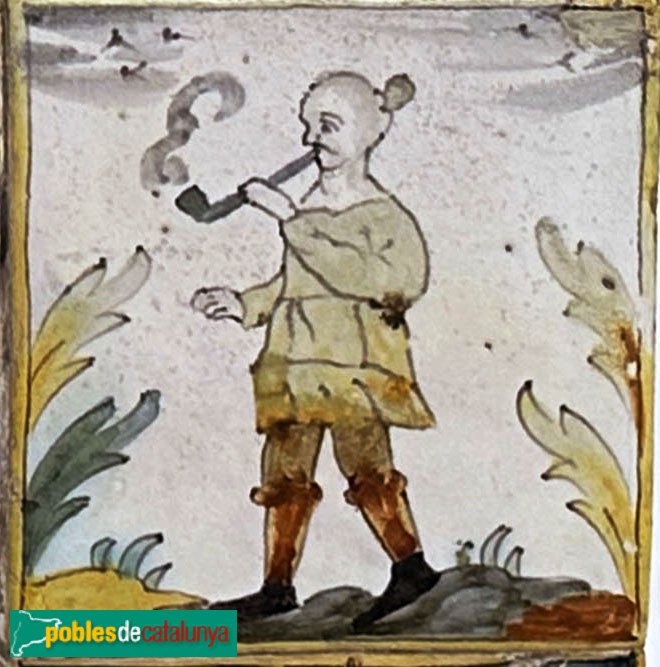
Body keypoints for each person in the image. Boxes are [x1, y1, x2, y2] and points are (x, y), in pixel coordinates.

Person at [191, 71, 438, 632]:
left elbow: (388, 281)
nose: (311, 139)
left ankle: (411, 568)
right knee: (285, 472)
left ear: (370, 132)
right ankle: (277, 587)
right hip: (295, 361)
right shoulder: (311, 207)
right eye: (309, 126)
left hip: (352, 365)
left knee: (367, 467)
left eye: (327, 126)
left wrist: (290, 220)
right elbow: (297, 282)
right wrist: (245, 303)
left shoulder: (383, 215)